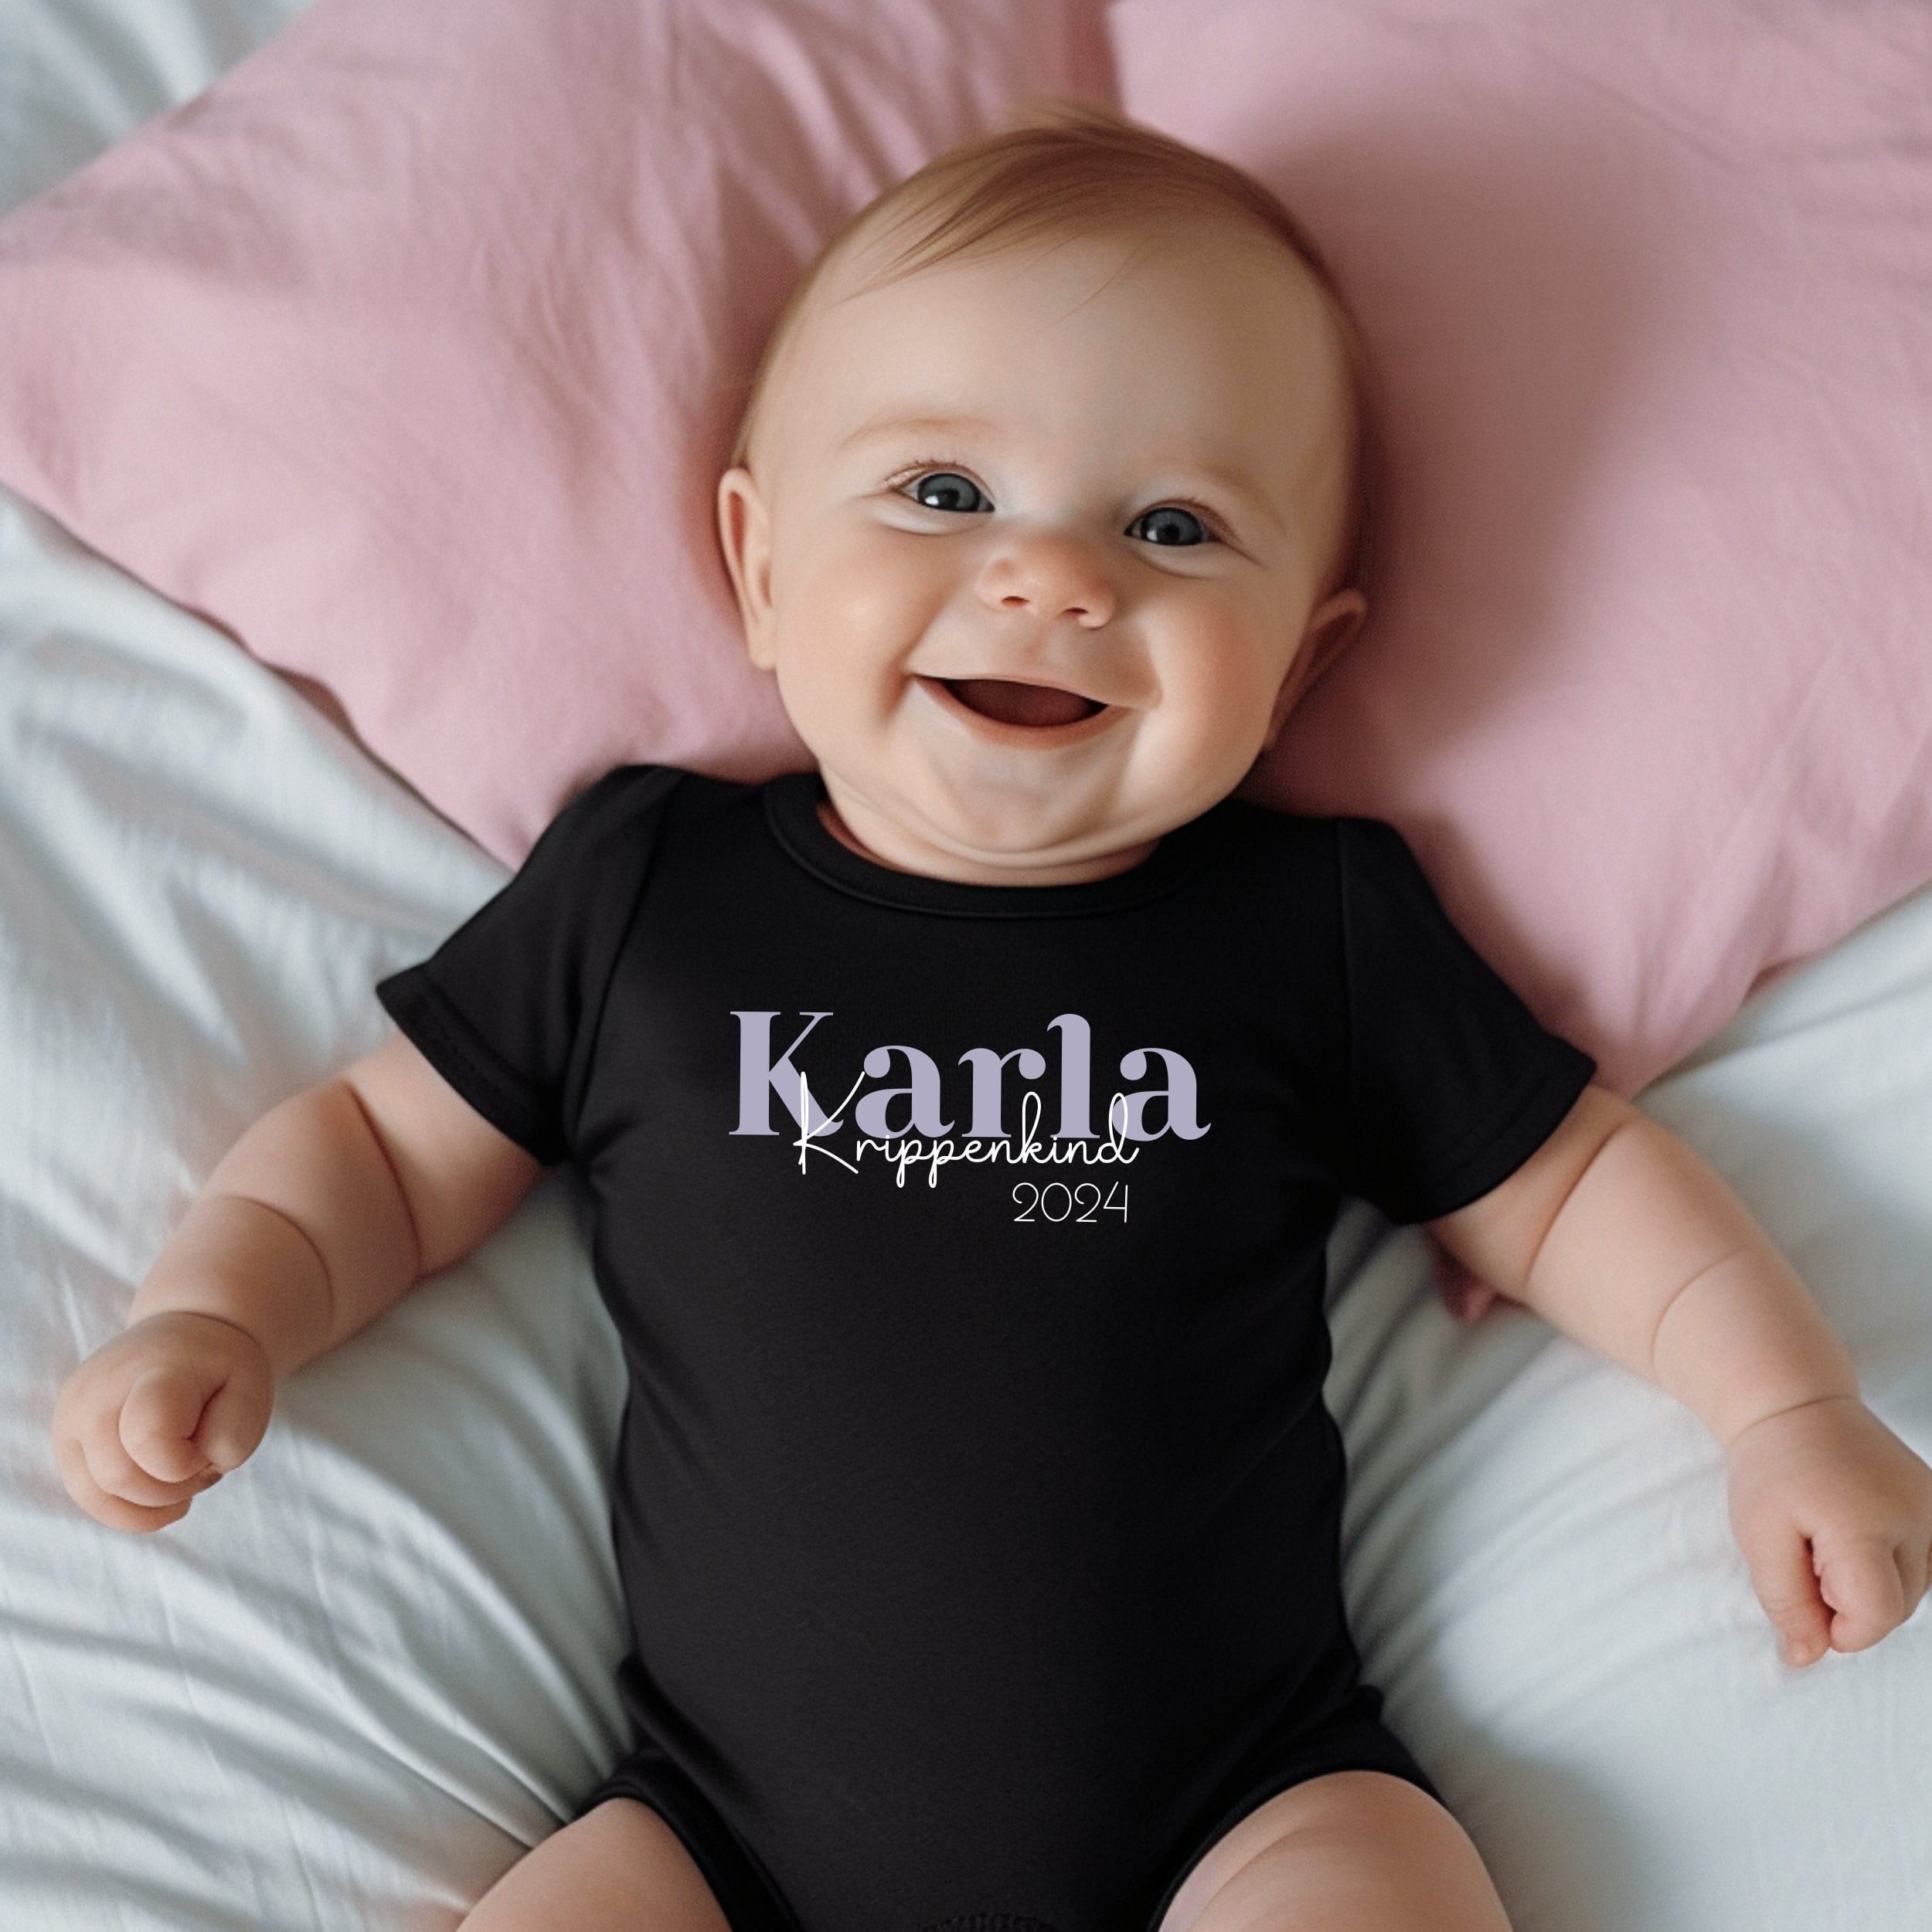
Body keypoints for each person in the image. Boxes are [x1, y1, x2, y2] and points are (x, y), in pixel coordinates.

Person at [51, 100, 1932, 1932]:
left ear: (1299, 664)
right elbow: (383, 1148)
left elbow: (1573, 1183)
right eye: (941, 492)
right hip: (719, 1831)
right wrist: (222, 1306)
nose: (1054, 576)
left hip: (1250, 1799)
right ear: (761, 566)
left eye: (1175, 526)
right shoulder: (650, 895)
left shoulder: (1310, 928)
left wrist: (1782, 1409)